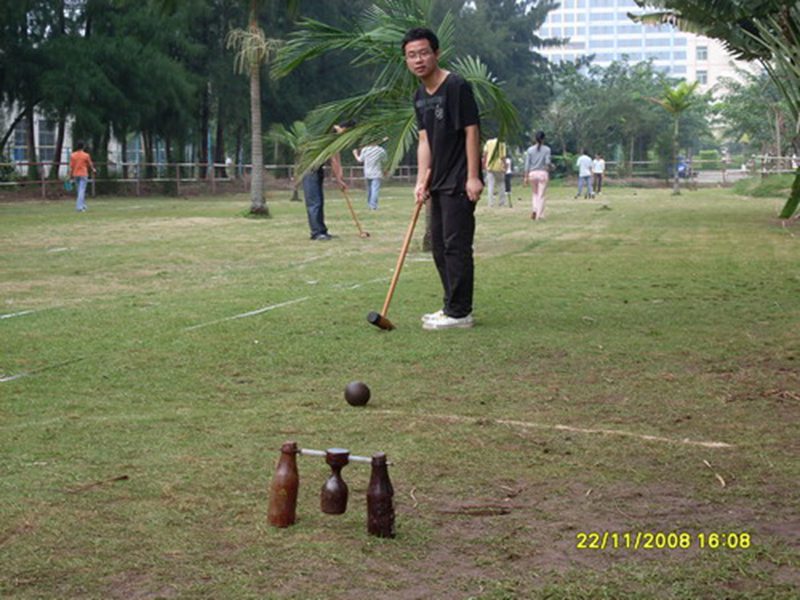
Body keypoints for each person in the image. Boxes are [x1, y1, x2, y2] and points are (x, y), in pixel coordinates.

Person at [403, 27, 483, 330]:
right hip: (437, 181)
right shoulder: (419, 96)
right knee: (439, 245)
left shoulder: (456, 86)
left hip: (460, 179)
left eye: (424, 53)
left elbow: (471, 130)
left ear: (436, 53)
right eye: (412, 55)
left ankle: (460, 312)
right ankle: (451, 306)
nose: (419, 59)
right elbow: (425, 141)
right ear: (406, 61)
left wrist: (473, 177)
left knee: (455, 245)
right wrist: (421, 180)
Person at [302, 120, 353, 241]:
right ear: (344, 128)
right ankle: (316, 233)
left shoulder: (334, 134)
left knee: (319, 201)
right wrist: (339, 180)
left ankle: (322, 230)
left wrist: (339, 178)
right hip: (309, 168)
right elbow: (334, 159)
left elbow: (336, 157)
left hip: (318, 168)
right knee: (314, 201)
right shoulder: (330, 134)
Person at [523, 131, 551, 220]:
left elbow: (527, 164)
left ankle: (535, 209)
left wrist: (526, 176)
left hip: (532, 173)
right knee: (541, 195)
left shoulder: (530, 150)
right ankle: (540, 214)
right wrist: (551, 167)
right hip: (542, 173)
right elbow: (547, 163)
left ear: (535, 139)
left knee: (535, 193)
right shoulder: (547, 149)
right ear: (543, 139)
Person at [352, 141, 388, 210]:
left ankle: (370, 204)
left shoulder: (365, 149)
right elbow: (385, 161)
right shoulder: (381, 150)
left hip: (367, 173)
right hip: (377, 173)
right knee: (375, 189)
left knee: (369, 190)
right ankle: (373, 206)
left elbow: (360, 160)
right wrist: (385, 170)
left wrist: (355, 154)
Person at [69, 141, 95, 212]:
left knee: (79, 190)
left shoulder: (73, 155)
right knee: (82, 190)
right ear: (83, 147)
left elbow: (71, 166)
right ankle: (79, 207)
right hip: (83, 174)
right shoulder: (86, 155)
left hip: (75, 174)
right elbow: (90, 164)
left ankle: (83, 205)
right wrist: (93, 169)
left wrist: (70, 175)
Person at [482, 137, 507, 207]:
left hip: (490, 166)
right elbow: (503, 156)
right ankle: (502, 202)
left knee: (490, 185)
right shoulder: (502, 144)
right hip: (499, 166)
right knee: (501, 184)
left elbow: (485, 154)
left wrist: (484, 164)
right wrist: (505, 166)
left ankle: (490, 203)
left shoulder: (488, 142)